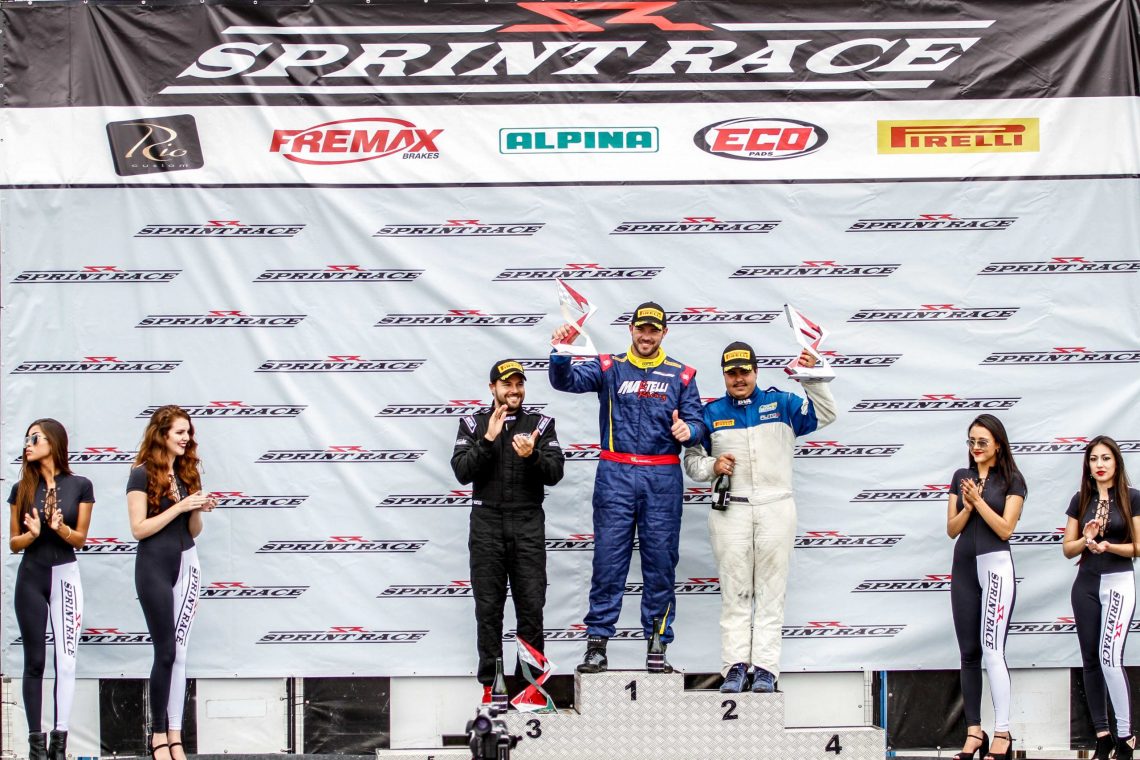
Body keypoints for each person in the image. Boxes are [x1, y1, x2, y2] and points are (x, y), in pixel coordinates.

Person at [549, 301, 705, 673]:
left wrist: (689, 430)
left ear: (664, 332)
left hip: (661, 476)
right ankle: (597, 645)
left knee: (661, 564)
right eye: (641, 329)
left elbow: (699, 424)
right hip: (615, 475)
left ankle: (658, 644)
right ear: (631, 330)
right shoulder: (610, 367)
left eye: (653, 330)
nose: (646, 336)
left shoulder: (682, 375)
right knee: (608, 562)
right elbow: (565, 381)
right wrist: (561, 351)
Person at [683, 341, 836, 693]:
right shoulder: (710, 413)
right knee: (735, 591)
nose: (739, 378)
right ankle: (734, 667)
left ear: (756, 371)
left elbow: (826, 413)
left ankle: (766, 668)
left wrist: (811, 377)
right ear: (724, 375)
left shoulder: (781, 403)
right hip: (730, 509)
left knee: (771, 591)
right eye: (731, 373)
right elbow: (692, 462)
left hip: (776, 505)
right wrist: (712, 466)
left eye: (744, 371)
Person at [451, 360, 565, 704]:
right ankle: (492, 684)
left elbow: (555, 473)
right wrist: (488, 439)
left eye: (519, 384)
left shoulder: (540, 424)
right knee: (489, 608)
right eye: (507, 384)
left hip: (527, 522)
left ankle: (530, 687)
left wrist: (532, 456)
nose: (514, 391)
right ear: (493, 388)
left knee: (531, 606)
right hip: (486, 523)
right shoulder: (473, 424)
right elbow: (462, 472)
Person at [127, 406, 215, 760]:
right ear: (161, 434)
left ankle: (176, 736)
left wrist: (196, 509)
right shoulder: (140, 473)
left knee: (180, 653)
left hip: (187, 563)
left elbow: (193, 531)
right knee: (164, 651)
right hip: (154, 566)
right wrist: (179, 507)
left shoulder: (187, 472)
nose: (186, 438)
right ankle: (158, 735)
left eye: (188, 432)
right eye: (180, 432)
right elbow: (138, 529)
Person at [8, 419, 94, 760]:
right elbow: (13, 543)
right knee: (34, 662)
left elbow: (81, 539)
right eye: (26, 439)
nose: (27, 444)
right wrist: (30, 536)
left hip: (65, 576)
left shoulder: (80, 485)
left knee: (67, 662)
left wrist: (60, 529)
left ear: (54, 442)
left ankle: (59, 745)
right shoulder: (21, 488)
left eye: (35, 438)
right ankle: (36, 748)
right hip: (31, 576)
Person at [945, 414, 1027, 760]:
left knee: (993, 650)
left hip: (996, 568)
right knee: (968, 653)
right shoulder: (960, 477)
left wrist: (978, 502)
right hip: (964, 566)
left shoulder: (1012, 479)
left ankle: (1003, 733)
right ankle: (974, 731)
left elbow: (1006, 529)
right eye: (971, 441)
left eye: (982, 442)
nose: (976, 447)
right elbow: (952, 529)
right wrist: (967, 506)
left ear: (998, 446)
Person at [1061, 436, 1139, 760]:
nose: (1100, 464)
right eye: (1094, 459)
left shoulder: (1132, 498)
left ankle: (1126, 737)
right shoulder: (1080, 499)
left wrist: (1109, 546)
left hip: (1118, 583)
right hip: (1086, 585)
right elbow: (1068, 549)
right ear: (1088, 466)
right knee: (1091, 660)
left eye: (1106, 458)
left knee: (1110, 659)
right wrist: (1087, 539)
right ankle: (1102, 736)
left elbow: (1138, 547)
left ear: (1116, 462)